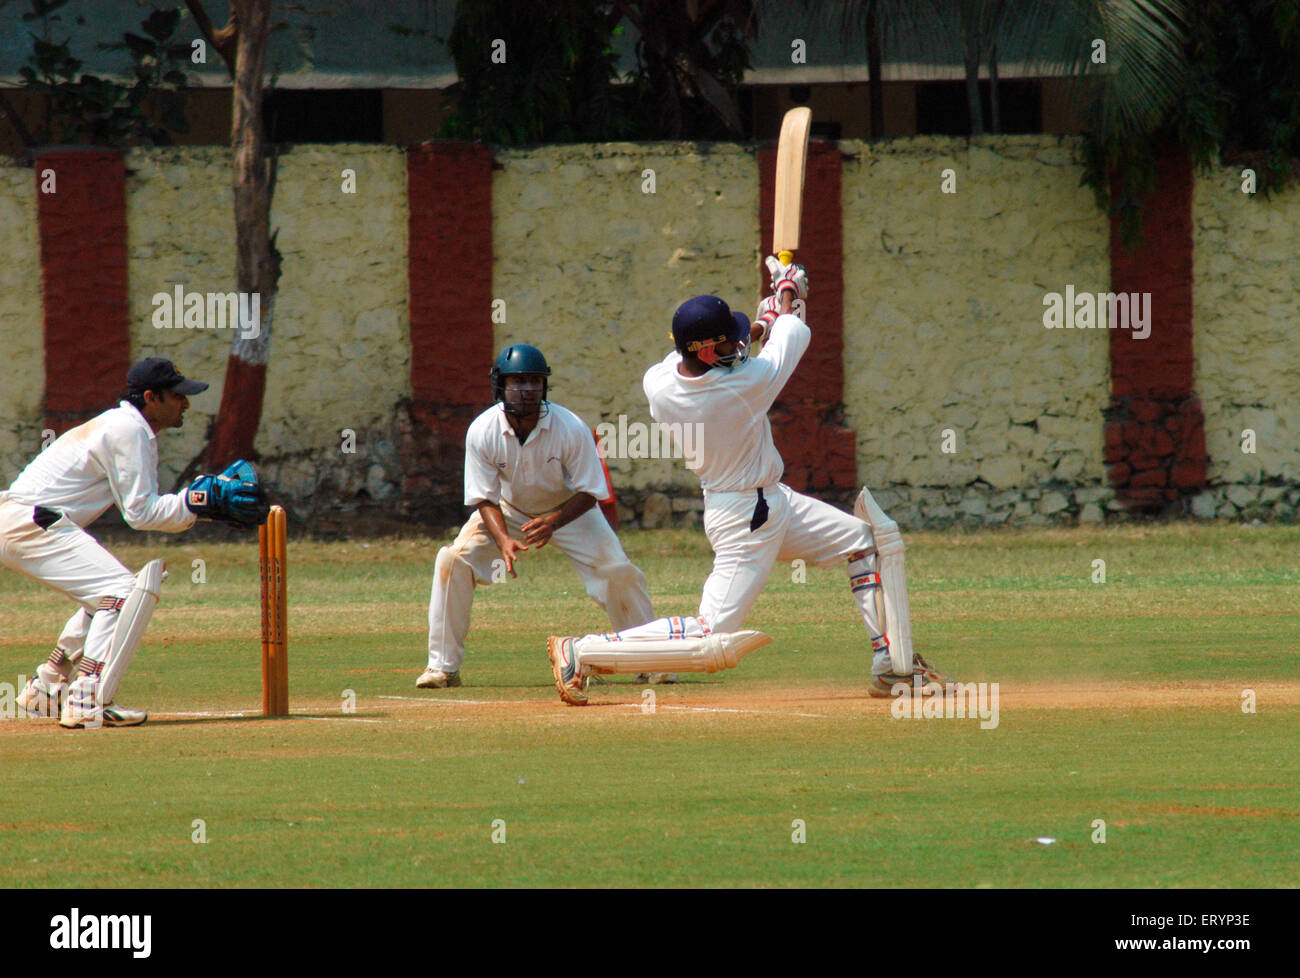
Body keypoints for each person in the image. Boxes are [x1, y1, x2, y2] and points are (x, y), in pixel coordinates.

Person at [545, 257, 955, 705]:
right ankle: (581, 650)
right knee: (709, 632)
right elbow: (795, 333)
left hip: (768, 501)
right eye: (726, 344)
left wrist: (761, 322)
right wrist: (787, 292)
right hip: (748, 518)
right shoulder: (742, 386)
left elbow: (750, 342)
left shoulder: (659, 381)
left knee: (861, 541)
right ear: (705, 352)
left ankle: (889, 665)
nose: (737, 349)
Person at [2, 357, 267, 728]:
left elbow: (142, 510)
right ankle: (85, 697)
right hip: (30, 522)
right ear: (151, 398)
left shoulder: (121, 425)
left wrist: (195, 506)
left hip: (22, 520)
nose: (186, 404)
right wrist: (197, 501)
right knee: (123, 592)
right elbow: (140, 513)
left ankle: (46, 686)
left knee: (104, 596)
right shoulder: (130, 430)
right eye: (177, 396)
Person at [418, 343, 658, 690]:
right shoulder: (482, 430)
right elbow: (483, 497)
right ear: (501, 385)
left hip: (571, 511)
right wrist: (502, 540)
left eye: (535, 381)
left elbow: (591, 491)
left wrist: (553, 522)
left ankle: (651, 661)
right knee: (453, 560)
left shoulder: (569, 427)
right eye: (518, 381)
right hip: (509, 512)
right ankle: (442, 668)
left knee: (617, 571)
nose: (528, 389)